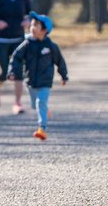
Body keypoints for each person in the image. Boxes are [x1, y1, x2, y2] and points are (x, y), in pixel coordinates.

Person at [8, 11, 68, 140]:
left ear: (44, 30)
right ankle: (45, 111)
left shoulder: (51, 47)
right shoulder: (27, 44)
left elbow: (60, 61)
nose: (32, 28)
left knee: (40, 102)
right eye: (31, 25)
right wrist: (12, 71)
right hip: (30, 81)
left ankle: (42, 128)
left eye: (36, 25)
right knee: (35, 104)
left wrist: (64, 75)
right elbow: (16, 57)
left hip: (45, 81)